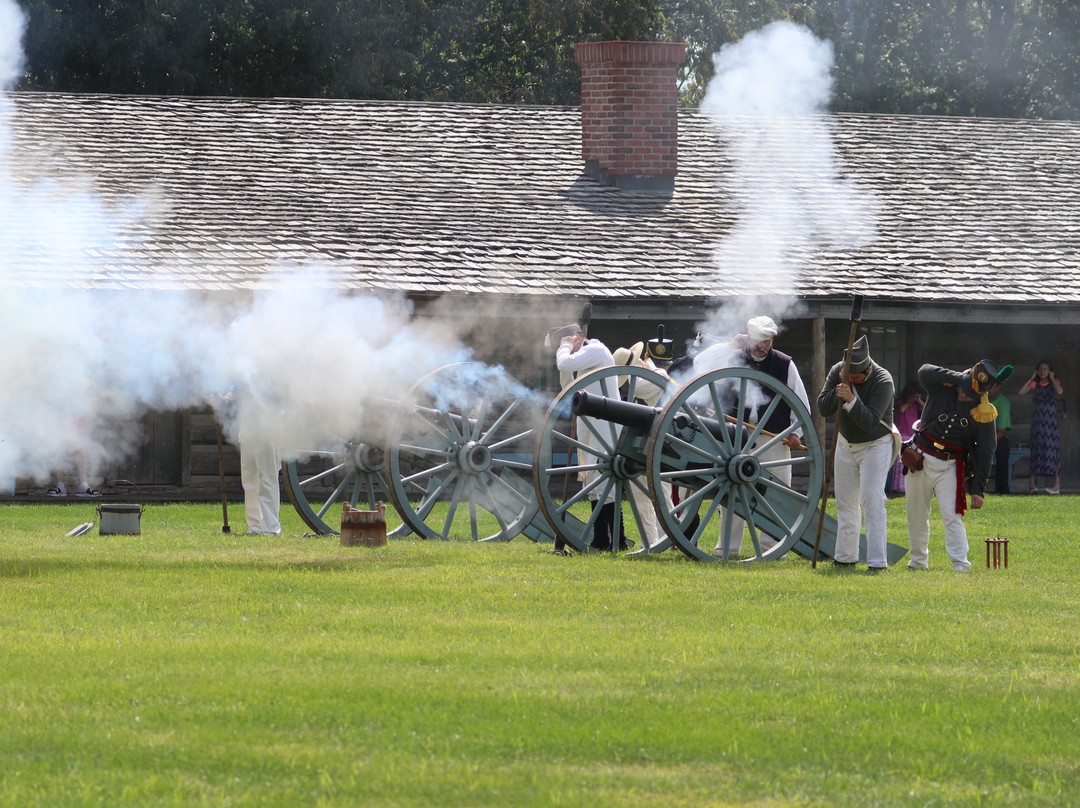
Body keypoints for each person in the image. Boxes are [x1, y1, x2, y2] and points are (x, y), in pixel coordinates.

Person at [692, 315, 810, 557]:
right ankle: (728, 547)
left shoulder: (784, 364)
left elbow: (800, 402)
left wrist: (796, 432)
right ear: (748, 335)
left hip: (774, 438)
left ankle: (774, 548)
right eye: (757, 340)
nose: (761, 346)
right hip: (738, 437)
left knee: (777, 496)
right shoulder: (733, 355)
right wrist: (730, 346)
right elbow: (699, 363)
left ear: (773, 339)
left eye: (767, 341)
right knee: (733, 493)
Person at [903, 360, 1012, 571]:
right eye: (963, 390)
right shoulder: (944, 385)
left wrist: (978, 490)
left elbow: (986, 451)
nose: (963, 394)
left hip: (951, 465)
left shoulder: (984, 412)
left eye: (970, 394)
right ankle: (917, 562)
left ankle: (960, 563)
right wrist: (960, 378)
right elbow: (923, 371)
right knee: (915, 514)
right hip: (920, 459)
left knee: (951, 515)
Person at [817, 336, 896, 571]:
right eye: (847, 375)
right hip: (845, 443)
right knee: (845, 503)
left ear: (867, 370)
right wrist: (838, 391)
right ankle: (845, 557)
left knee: (872, 501)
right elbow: (823, 407)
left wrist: (851, 400)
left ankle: (877, 561)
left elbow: (871, 422)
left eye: (855, 377)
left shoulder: (883, 380)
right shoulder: (839, 371)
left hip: (876, 444)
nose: (850, 379)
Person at [551, 323, 626, 553]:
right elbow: (567, 386)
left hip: (604, 424)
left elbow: (564, 362)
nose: (565, 348)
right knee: (592, 481)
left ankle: (619, 540)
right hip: (589, 425)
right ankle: (601, 539)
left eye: (566, 342)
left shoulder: (596, 350)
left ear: (576, 337)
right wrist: (567, 353)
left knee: (602, 478)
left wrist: (565, 346)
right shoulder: (583, 359)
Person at [612, 333, 674, 551]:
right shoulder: (640, 377)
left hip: (661, 441)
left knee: (661, 494)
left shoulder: (657, 377)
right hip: (638, 440)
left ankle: (669, 539)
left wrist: (639, 370)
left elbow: (645, 387)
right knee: (641, 497)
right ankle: (650, 541)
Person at [1018, 360, 1063, 494]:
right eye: (1041, 369)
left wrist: (1052, 378)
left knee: (1053, 452)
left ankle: (1056, 486)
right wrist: (1032, 377)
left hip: (1050, 423)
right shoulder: (1035, 383)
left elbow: (1060, 391)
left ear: (1050, 371)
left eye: (1045, 369)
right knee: (1036, 450)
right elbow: (1021, 392)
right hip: (1038, 422)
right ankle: (1032, 485)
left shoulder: (1054, 382)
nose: (1043, 371)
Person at [888, 382, 923, 495]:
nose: (915, 399)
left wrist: (918, 401)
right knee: (900, 462)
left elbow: (925, 408)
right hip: (902, 435)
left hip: (912, 435)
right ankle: (898, 487)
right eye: (913, 396)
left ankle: (909, 486)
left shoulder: (916, 405)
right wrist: (908, 402)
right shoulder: (900, 403)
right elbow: (902, 410)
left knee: (912, 460)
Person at [991, 384, 1012, 494]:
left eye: (991, 386)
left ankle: (1003, 490)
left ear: (998, 387)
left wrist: (986, 442)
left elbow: (1002, 432)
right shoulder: (979, 401)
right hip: (980, 439)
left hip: (997, 439)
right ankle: (972, 490)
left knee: (1002, 448)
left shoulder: (1003, 402)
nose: (988, 389)